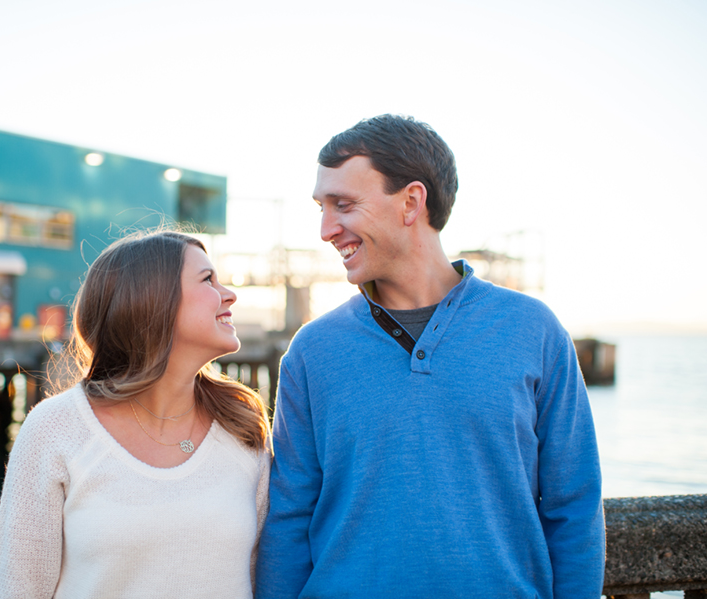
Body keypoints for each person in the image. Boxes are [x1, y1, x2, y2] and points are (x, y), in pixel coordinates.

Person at [256, 115, 605, 598]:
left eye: (343, 205)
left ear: (411, 202)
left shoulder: (533, 330)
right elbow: (289, 516)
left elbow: (574, 505)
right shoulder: (312, 352)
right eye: (321, 207)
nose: (325, 229)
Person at [0, 230, 271, 599]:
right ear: (151, 301)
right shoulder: (55, 429)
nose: (230, 294)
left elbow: (263, 576)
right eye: (207, 280)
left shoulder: (241, 425)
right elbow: (15, 590)